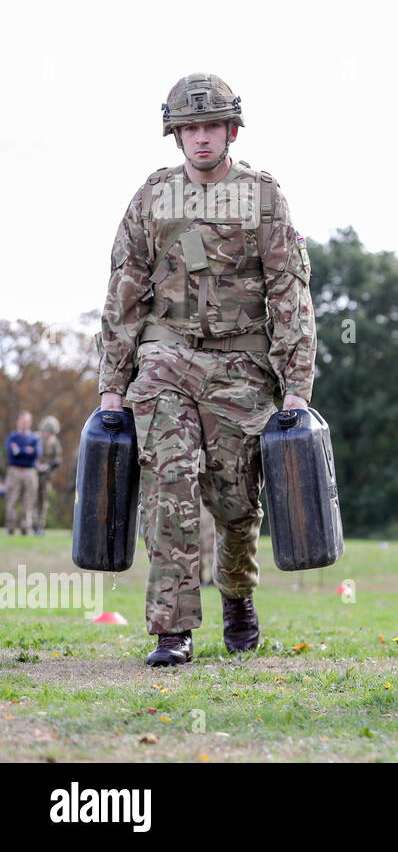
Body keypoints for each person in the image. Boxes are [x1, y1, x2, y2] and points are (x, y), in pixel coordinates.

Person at [97, 73, 316, 667]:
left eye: (211, 126)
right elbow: (125, 292)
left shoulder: (263, 196)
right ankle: (173, 629)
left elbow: (289, 293)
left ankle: (239, 598)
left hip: (242, 367)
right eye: (190, 128)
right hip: (165, 359)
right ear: (175, 135)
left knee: (236, 500)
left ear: (231, 130)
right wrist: (112, 387)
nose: (201, 138)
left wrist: (296, 387)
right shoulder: (150, 197)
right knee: (171, 486)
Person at [5, 411, 41, 535]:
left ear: (30, 423)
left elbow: (36, 454)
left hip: (29, 472)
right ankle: (10, 527)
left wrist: (19, 450)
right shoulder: (12, 437)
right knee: (12, 499)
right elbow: (11, 451)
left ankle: (25, 527)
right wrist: (26, 451)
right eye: (22, 421)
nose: (24, 424)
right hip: (14, 471)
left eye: (27, 421)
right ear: (18, 422)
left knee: (29, 500)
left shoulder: (35, 438)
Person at [34, 415, 62, 534]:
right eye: (47, 431)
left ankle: (40, 527)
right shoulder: (35, 438)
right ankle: (28, 524)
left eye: (51, 432)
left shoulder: (55, 442)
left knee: (43, 501)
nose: (48, 434)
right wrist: (36, 465)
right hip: (33, 474)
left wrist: (49, 467)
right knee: (31, 500)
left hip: (46, 476)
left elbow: (58, 460)